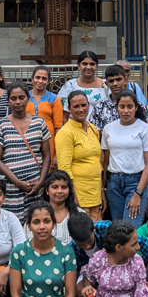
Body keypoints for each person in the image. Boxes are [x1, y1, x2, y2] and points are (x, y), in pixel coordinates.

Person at [0, 82, 52, 217]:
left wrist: (41, 182)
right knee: (14, 225)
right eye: (13, 99)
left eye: (21, 97)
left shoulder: (39, 122)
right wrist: (17, 182)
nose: (18, 102)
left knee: (36, 222)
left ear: (28, 98)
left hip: (35, 186)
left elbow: (47, 155)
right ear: (8, 101)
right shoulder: (0, 125)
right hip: (11, 187)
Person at [102, 91, 148, 221]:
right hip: (114, 183)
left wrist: (138, 192)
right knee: (118, 227)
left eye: (130, 106)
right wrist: (103, 187)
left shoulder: (145, 129)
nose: (126, 111)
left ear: (136, 108)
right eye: (122, 106)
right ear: (117, 108)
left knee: (132, 228)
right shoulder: (108, 128)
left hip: (136, 182)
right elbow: (105, 160)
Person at [54, 91, 105, 220]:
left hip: (95, 195)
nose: (81, 109)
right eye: (76, 107)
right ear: (69, 109)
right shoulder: (65, 132)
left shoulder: (93, 129)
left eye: (83, 105)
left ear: (88, 105)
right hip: (79, 197)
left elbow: (98, 162)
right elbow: (64, 168)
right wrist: (73, 197)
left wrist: (102, 192)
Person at [68, 214, 148, 270]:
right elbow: (77, 273)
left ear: (94, 229)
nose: (87, 246)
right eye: (81, 245)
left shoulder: (106, 228)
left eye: (89, 241)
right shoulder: (72, 248)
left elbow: (139, 241)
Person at [29, 169, 85, 245]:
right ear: (47, 191)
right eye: (55, 187)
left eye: (64, 187)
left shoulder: (80, 214)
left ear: (69, 190)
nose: (59, 191)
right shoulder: (36, 215)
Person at [90, 65, 148, 131]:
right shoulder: (100, 107)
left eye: (118, 79)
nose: (115, 84)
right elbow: (94, 132)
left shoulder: (138, 106)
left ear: (125, 80)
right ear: (106, 84)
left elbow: (146, 129)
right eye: (111, 81)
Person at [26, 66, 64, 142]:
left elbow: (58, 126)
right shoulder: (24, 97)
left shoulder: (54, 99)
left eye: (44, 78)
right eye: (37, 77)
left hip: (49, 142)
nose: (40, 81)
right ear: (32, 78)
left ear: (49, 81)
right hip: (27, 141)